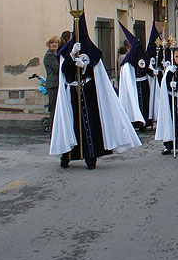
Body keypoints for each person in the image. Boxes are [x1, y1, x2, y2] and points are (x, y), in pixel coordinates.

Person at [49, 14, 141, 169]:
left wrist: (84, 66)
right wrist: (72, 56)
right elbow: (64, 72)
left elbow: (96, 72)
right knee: (71, 123)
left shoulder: (92, 52)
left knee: (91, 123)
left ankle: (91, 156)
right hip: (72, 92)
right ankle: (68, 155)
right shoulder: (67, 52)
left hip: (89, 91)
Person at [117, 22, 149, 131]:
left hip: (143, 82)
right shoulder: (128, 59)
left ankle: (144, 122)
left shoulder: (140, 56)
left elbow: (146, 67)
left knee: (144, 103)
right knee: (136, 102)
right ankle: (137, 122)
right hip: (134, 84)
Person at [43, 36, 62, 131]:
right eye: (52, 43)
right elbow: (58, 68)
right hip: (53, 84)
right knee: (54, 106)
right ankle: (53, 128)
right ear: (49, 45)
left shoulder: (56, 54)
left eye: (56, 43)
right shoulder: (49, 56)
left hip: (56, 83)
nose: (54, 45)